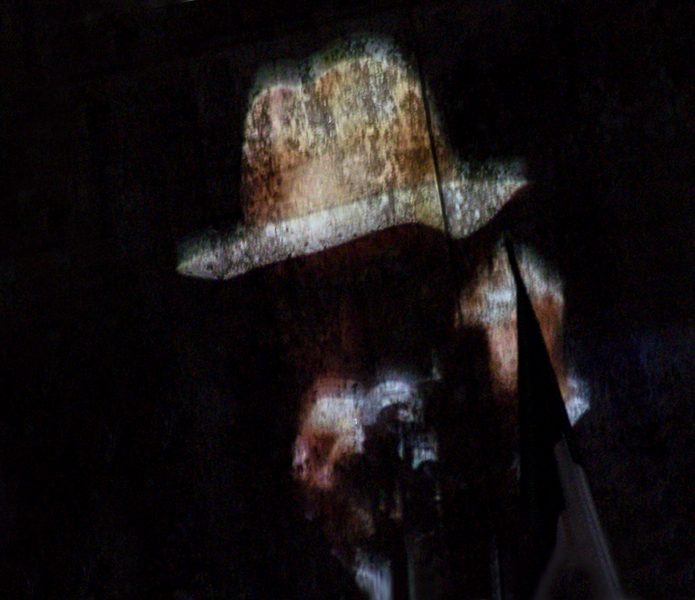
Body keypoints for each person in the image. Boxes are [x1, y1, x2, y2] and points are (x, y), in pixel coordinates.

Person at [177, 35, 588, 600]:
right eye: (317, 296)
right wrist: (341, 533)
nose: (353, 331)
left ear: (455, 271)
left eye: (389, 284)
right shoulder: (246, 493)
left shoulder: (514, 376)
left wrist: (542, 431)